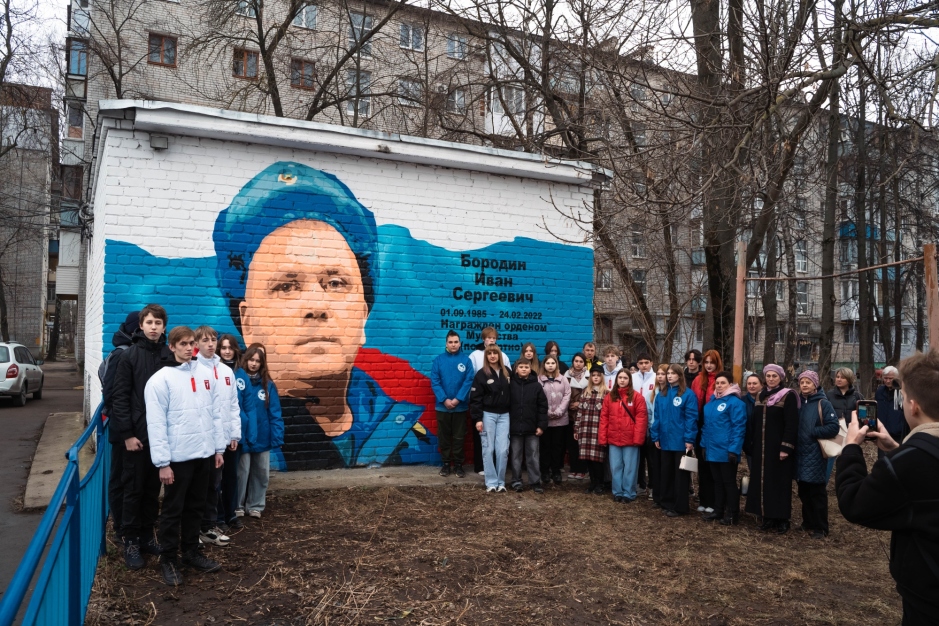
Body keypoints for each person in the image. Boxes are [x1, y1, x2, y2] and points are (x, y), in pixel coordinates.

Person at [213, 161, 437, 469]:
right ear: (247, 322)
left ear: (363, 315)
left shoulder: (413, 444)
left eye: (335, 283)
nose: (316, 306)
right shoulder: (232, 438)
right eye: (287, 286)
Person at [836, 349, 939, 625]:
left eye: (902, 398)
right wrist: (895, 448)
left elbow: (854, 502)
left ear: (913, 406)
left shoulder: (908, 462)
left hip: (928, 599)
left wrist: (850, 448)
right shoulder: (909, 458)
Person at [144, 326, 226, 586]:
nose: (189, 348)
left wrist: (218, 448)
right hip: (177, 459)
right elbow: (156, 424)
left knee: (196, 507)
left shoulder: (206, 374)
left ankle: (191, 552)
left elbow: (215, 413)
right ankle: (168, 559)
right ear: (171, 347)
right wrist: (163, 463)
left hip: (203, 454)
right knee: (172, 510)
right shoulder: (160, 380)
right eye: (183, 344)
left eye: (192, 343)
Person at [109, 304, 174, 570]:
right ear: (141, 325)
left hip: (160, 437)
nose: (154, 327)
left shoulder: (169, 356)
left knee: (151, 490)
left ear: (164, 326)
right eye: (149, 322)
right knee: (133, 490)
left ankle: (147, 536)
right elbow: (120, 397)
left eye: (158, 323)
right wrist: (127, 434)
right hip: (136, 437)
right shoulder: (129, 356)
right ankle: (131, 541)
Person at [194, 326, 241, 547]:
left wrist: (234, 434)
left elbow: (232, 405)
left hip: (221, 439)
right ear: (196, 344)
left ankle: (209, 526)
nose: (211, 344)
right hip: (201, 439)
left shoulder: (226, 371)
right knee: (198, 486)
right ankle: (193, 528)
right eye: (205, 340)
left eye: (213, 339)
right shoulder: (192, 369)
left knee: (214, 484)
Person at [745, 364, 799, 534]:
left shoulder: (788, 395)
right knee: (763, 482)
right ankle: (767, 516)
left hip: (778, 447)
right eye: (768, 376)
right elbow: (754, 421)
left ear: (780, 378)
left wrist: (786, 447)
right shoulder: (760, 395)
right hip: (761, 447)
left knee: (779, 482)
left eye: (774, 376)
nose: (771, 379)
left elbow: (791, 423)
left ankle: (782, 519)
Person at [101, 310, 139, 542]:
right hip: (121, 428)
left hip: (131, 425)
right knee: (119, 478)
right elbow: (111, 393)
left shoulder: (130, 351)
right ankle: (120, 527)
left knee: (130, 477)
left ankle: (128, 523)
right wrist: (122, 423)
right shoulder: (122, 354)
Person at [235, 345, 284, 519]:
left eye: (258, 361)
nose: (254, 364)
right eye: (251, 359)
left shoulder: (268, 385)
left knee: (261, 472)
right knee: (241, 473)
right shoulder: (237, 381)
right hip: (243, 436)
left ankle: (255, 505)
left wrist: (277, 436)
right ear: (245, 359)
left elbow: (275, 413)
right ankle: (237, 505)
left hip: (263, 436)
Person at [795, 370, 839, 538]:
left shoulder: (823, 403)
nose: (804, 385)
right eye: (802, 382)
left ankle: (821, 527)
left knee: (817, 492)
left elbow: (833, 427)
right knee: (803, 491)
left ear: (815, 384)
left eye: (808, 382)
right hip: (800, 454)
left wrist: (812, 431)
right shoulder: (798, 402)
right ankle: (808, 522)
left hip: (816, 454)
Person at [651, 364, 698, 517]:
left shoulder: (688, 394)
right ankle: (667, 502)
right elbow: (657, 417)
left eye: (673, 373)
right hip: (665, 440)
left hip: (680, 442)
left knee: (680, 476)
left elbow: (691, 418)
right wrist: (655, 436)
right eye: (668, 373)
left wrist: (689, 439)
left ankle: (680, 507)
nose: (669, 376)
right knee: (666, 473)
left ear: (679, 375)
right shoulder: (661, 395)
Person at [701, 372, 747, 525]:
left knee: (729, 483)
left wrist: (734, 449)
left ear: (730, 385)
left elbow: (738, 427)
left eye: (723, 383)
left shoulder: (735, 403)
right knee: (717, 482)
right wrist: (703, 445)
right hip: (712, 450)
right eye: (717, 383)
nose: (719, 385)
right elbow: (706, 427)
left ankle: (733, 513)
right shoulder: (711, 403)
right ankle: (718, 510)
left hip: (727, 451)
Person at [430, 331, 475, 477]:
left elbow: (468, 381)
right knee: (444, 437)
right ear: (446, 344)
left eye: (456, 342)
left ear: (460, 343)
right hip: (442, 407)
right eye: (450, 342)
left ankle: (458, 465)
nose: (453, 344)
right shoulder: (439, 360)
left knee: (459, 437)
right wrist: (444, 399)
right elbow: (435, 382)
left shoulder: (466, 361)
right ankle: (446, 464)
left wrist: (458, 399)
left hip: (460, 407)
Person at [599, 370, 648, 503]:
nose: (622, 380)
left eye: (625, 378)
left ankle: (629, 493)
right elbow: (604, 418)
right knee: (615, 467)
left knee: (630, 467)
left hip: (630, 439)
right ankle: (617, 492)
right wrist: (603, 437)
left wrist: (638, 439)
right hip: (614, 438)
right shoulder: (610, 397)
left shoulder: (637, 397)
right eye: (620, 377)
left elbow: (641, 419)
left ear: (629, 380)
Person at [469, 327, 511, 476]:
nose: (491, 340)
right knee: (485, 443)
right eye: (489, 338)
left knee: (501, 447)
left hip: (503, 411)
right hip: (485, 406)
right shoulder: (475, 355)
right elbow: (471, 377)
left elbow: (508, 381)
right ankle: (482, 467)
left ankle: (499, 474)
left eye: (494, 338)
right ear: (483, 339)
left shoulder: (504, 357)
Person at [508, 358, 548, 493]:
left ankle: (535, 482)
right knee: (515, 456)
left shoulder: (536, 386)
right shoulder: (511, 385)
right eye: (521, 367)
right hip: (515, 428)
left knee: (533, 456)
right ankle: (516, 481)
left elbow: (543, 407)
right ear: (516, 369)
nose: (524, 369)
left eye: (526, 367)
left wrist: (541, 426)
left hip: (532, 429)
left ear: (530, 369)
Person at [217, 334, 244, 530]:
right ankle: (218, 517)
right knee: (216, 479)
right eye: (223, 347)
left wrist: (236, 433)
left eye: (230, 347)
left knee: (231, 476)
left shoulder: (240, 373)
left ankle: (230, 513)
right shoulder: (213, 371)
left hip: (233, 433)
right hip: (217, 434)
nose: (227, 351)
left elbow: (238, 406)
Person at [692, 350, 722, 514]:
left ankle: (714, 501)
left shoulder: (720, 380)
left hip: (714, 426)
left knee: (713, 465)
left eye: (712, 362)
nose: (709, 365)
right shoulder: (698, 379)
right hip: (699, 425)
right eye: (707, 362)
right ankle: (703, 499)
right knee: (702, 464)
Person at [574, 366, 608, 495]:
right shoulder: (585, 392)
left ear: (602, 377)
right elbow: (579, 412)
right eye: (593, 375)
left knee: (597, 459)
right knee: (587, 458)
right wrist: (576, 428)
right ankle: (592, 482)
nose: (596, 377)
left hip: (598, 430)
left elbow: (608, 415)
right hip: (585, 430)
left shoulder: (606, 393)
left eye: (598, 375)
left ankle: (600, 483)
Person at [539, 356, 571, 485]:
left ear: (556, 365)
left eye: (553, 363)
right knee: (545, 446)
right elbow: (538, 398)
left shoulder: (563, 379)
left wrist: (559, 411)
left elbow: (567, 395)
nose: (550, 365)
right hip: (545, 420)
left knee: (557, 447)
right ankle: (545, 471)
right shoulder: (539, 380)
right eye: (548, 363)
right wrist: (545, 412)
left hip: (560, 420)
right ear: (544, 365)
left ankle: (556, 471)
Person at [825, 367, 862, 481]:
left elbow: (863, 416)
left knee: (848, 461)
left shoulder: (857, 396)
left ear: (849, 379)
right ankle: (822, 486)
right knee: (829, 461)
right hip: (834, 433)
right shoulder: (829, 395)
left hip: (851, 434)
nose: (839, 379)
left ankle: (845, 485)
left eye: (842, 377)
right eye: (837, 377)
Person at [632, 355, 656, 496]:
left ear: (651, 363)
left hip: (651, 421)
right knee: (638, 456)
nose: (644, 365)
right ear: (637, 364)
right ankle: (640, 484)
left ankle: (653, 486)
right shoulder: (633, 378)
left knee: (651, 457)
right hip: (636, 421)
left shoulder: (656, 378)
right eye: (641, 363)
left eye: (646, 362)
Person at [565, 353, 590, 480]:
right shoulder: (566, 376)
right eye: (576, 361)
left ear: (584, 363)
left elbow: (592, 394)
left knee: (582, 443)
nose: (578, 363)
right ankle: (573, 468)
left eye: (581, 361)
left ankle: (582, 469)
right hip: (570, 415)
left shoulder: (589, 376)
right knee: (572, 444)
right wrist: (570, 404)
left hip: (584, 415)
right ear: (573, 362)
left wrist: (580, 403)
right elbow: (563, 392)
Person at [648, 364, 670, 505]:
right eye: (659, 374)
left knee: (666, 467)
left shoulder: (671, 392)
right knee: (655, 466)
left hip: (667, 434)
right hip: (654, 433)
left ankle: (665, 495)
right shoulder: (653, 393)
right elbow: (650, 414)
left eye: (664, 374)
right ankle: (656, 495)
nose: (661, 377)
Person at [876, 366, 907, 456]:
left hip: (899, 433)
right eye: (885, 378)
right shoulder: (879, 391)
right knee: (882, 459)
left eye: (890, 378)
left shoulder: (902, 392)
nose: (888, 381)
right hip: (882, 432)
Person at [742, 372, 764, 472]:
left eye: (755, 383)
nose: (751, 386)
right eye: (749, 383)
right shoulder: (742, 401)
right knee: (753, 471)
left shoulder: (768, 399)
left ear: (761, 385)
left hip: (764, 443)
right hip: (749, 443)